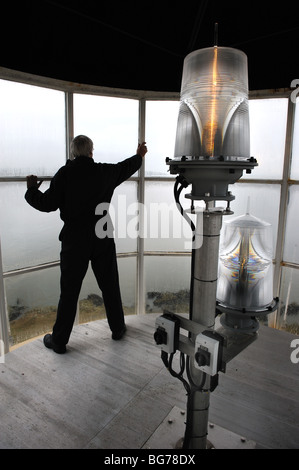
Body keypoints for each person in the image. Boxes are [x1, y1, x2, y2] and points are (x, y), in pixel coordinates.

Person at [25, 135, 147, 354]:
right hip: (102, 236)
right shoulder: (104, 172)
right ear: (91, 152)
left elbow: (48, 204)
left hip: (74, 241)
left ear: (73, 153)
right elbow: (126, 167)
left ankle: (60, 341)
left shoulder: (64, 174)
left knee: (69, 292)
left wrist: (32, 191)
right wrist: (139, 156)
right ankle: (117, 328)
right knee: (109, 285)